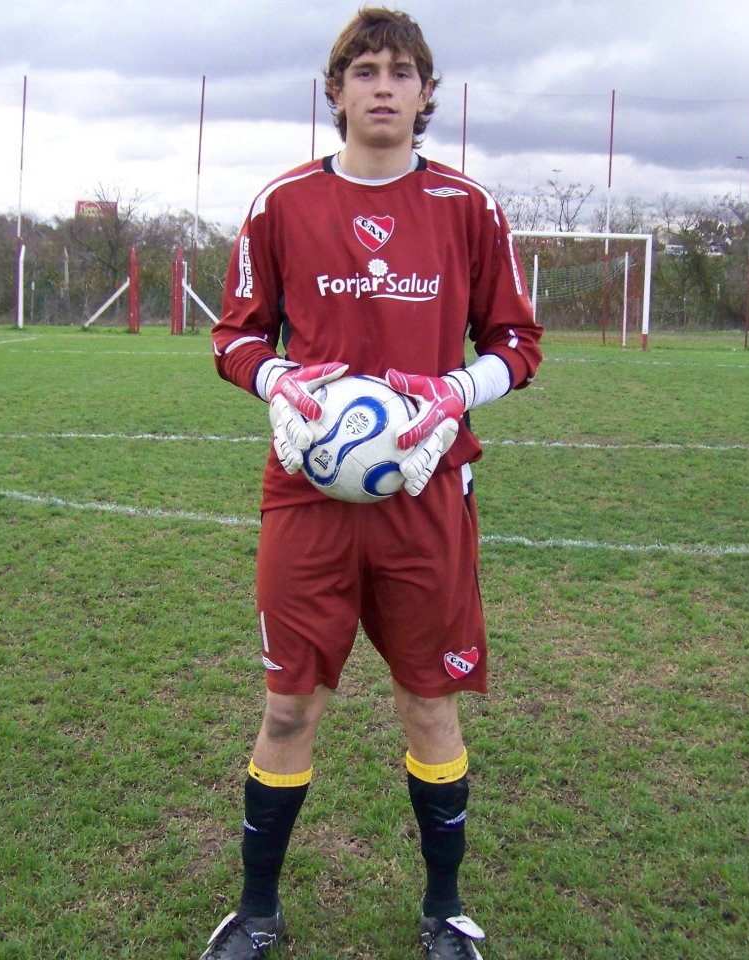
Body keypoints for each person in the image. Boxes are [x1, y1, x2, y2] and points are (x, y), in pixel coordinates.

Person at [201, 7, 542, 959]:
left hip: (426, 494)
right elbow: (235, 336)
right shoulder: (282, 206)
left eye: (401, 71)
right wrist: (277, 378)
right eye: (364, 71)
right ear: (337, 90)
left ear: (428, 94)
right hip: (307, 497)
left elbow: (517, 343)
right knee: (287, 704)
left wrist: (450, 391)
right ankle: (258, 911)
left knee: (428, 701)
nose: (382, 85)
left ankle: (446, 911)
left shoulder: (468, 209)